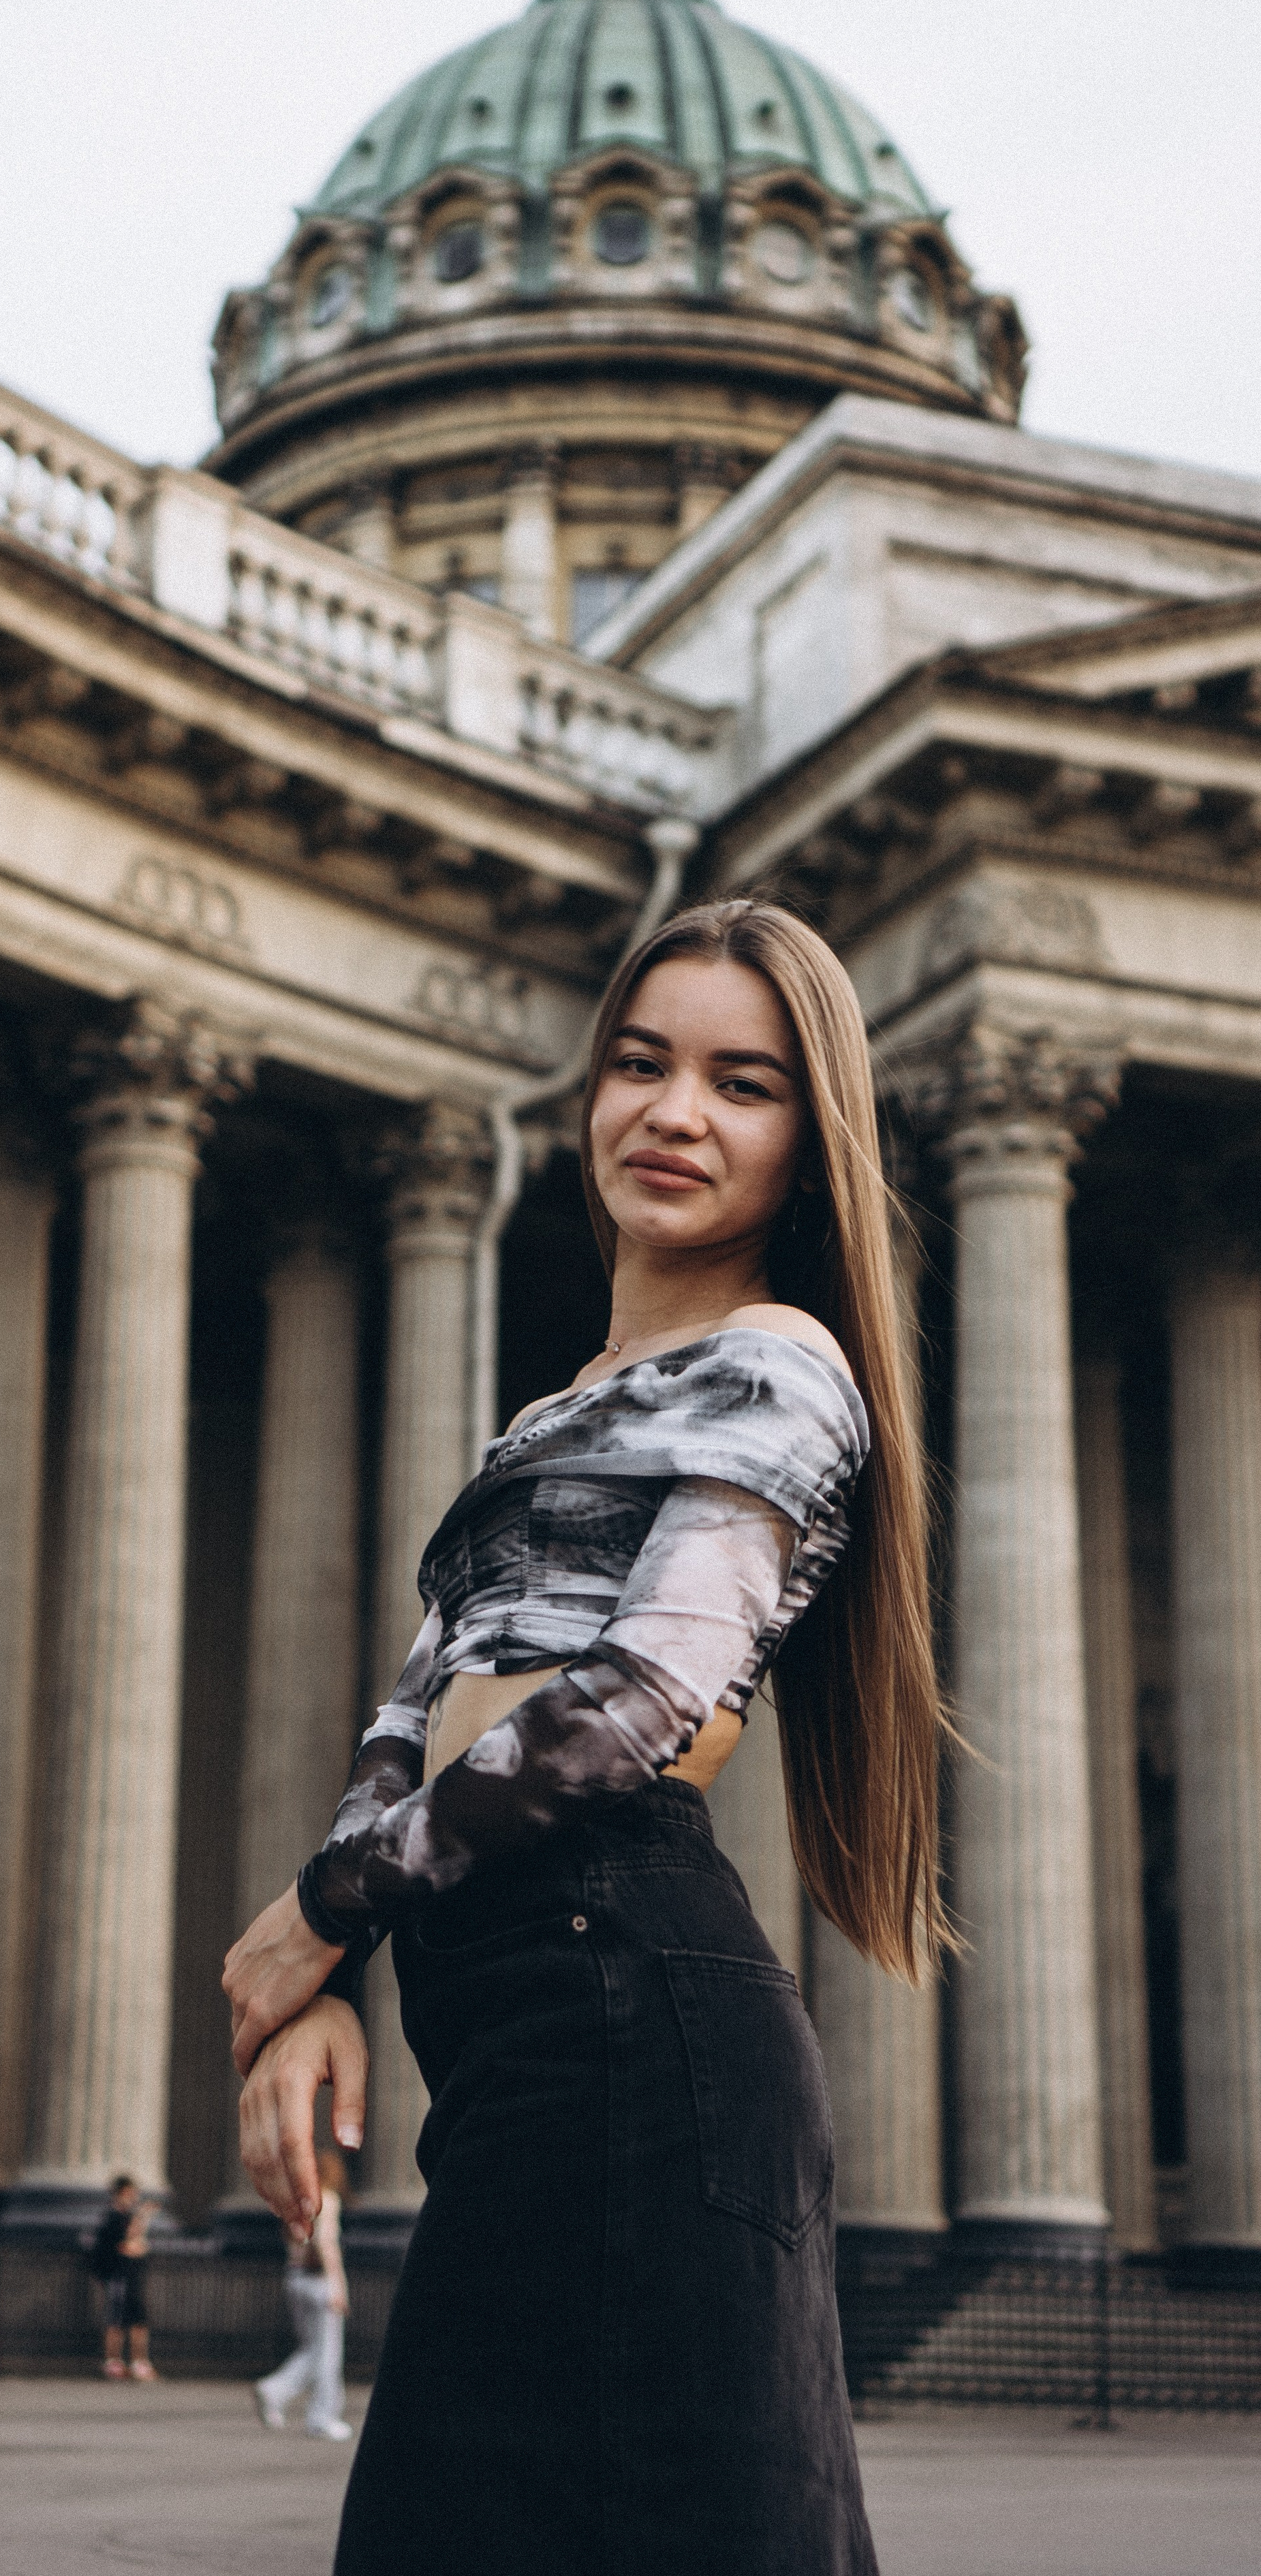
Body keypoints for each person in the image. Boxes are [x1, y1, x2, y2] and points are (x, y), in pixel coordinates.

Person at [224, 898, 950, 2575]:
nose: (672, 1110)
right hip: (527, 2021)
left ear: (806, 1135)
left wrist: (325, 1909)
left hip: (629, 2000)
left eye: (739, 1082)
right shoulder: (556, 1406)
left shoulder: (779, 1359)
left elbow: (627, 1707)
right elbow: (414, 1702)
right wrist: (324, 1983)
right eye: (640, 1062)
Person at [254, 2146, 353, 2443]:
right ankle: (323, 2417)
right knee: (329, 2353)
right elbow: (326, 2243)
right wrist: (339, 2286)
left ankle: (274, 2390)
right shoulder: (328, 2199)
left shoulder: (299, 2199)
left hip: (295, 2277)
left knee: (313, 2348)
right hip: (320, 2280)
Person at [90, 2175, 156, 2381]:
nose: (134, 2198)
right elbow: (126, 2239)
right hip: (119, 2274)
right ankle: (113, 2361)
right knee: (116, 2319)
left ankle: (139, 2362)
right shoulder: (113, 2217)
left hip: (133, 2272)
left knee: (138, 2319)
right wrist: (143, 2216)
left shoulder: (125, 2215)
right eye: (130, 2193)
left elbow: (138, 2244)